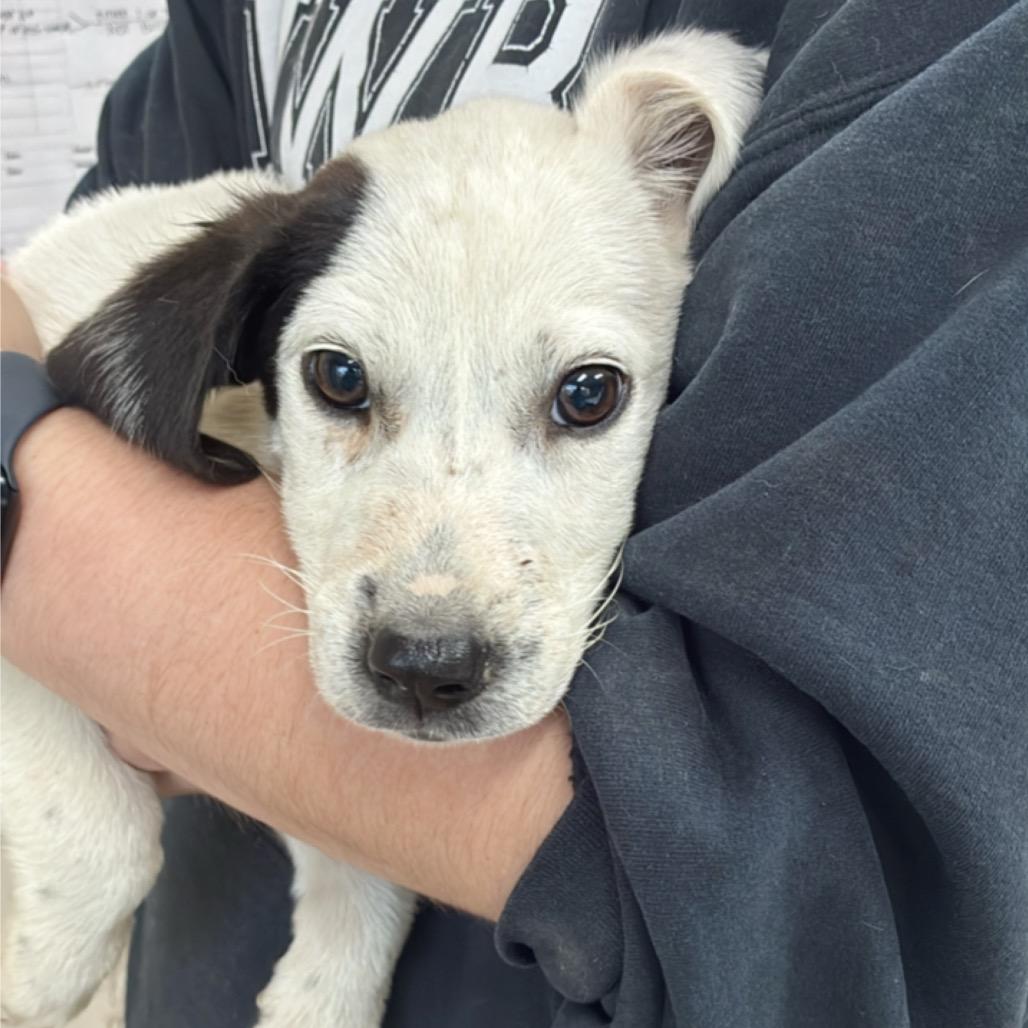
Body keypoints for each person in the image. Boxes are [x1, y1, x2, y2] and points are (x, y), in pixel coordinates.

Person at [2, 0, 1027, 1025]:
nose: (431, 620)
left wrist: (84, 566)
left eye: (583, 396)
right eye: (344, 384)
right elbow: (86, 354)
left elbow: (832, 887)